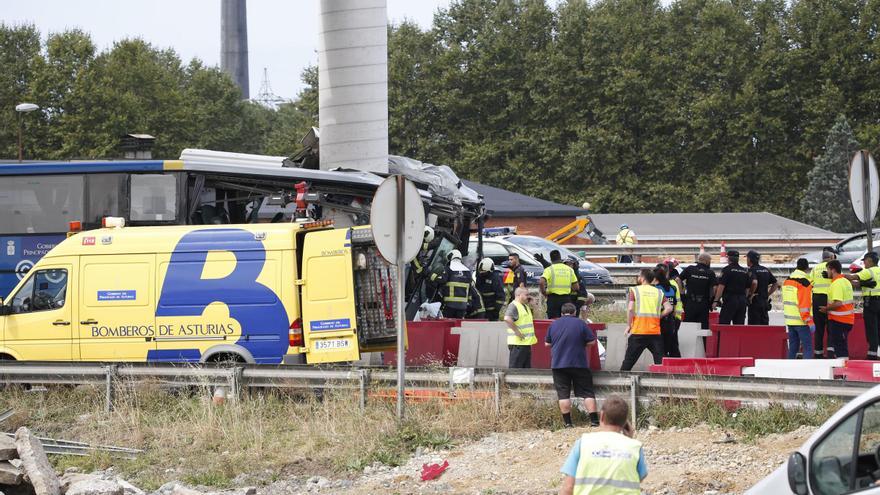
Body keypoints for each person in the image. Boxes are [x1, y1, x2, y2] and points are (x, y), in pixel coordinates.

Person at [559, 396, 647, 495]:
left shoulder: (583, 443)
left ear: (601, 416)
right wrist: (629, 439)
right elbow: (636, 478)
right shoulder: (634, 447)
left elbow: (569, 486)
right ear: (625, 422)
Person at [545, 302, 599, 428]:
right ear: (575, 312)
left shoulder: (554, 324)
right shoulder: (581, 323)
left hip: (559, 365)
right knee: (587, 393)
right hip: (579, 363)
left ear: (562, 313)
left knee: (563, 394)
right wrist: (581, 344)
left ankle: (568, 424)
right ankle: (594, 422)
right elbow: (592, 341)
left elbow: (547, 344)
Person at [621, 269, 673, 371]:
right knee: (660, 361)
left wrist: (628, 325)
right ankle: (663, 384)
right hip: (654, 332)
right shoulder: (658, 292)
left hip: (638, 331)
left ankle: (621, 383)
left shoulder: (635, 290)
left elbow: (630, 308)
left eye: (639, 276)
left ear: (643, 278)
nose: (638, 278)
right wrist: (659, 316)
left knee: (628, 361)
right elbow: (669, 308)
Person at [846, 252, 880, 360]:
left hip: (871, 302)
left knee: (871, 329)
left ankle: (872, 355)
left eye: (864, 261)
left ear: (869, 260)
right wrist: (862, 284)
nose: (864, 263)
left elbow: (852, 278)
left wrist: (839, 276)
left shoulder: (868, 271)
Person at [821, 260, 855, 358]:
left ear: (833, 270)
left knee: (840, 348)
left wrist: (826, 308)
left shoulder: (836, 284)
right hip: (847, 319)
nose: (827, 272)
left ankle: (842, 371)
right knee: (841, 345)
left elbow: (838, 303)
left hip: (839, 320)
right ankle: (842, 369)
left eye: (828, 269)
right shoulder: (846, 281)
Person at [783, 258, 814, 359]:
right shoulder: (804, 283)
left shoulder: (787, 280)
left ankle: (789, 372)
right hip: (801, 321)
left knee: (793, 348)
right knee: (807, 348)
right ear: (807, 268)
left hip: (790, 321)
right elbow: (804, 304)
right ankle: (806, 372)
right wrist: (809, 321)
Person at [713, 250, 755, 325]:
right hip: (742, 300)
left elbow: (721, 287)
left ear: (728, 258)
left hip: (730, 300)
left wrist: (716, 300)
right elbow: (748, 288)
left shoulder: (726, 270)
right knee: (739, 325)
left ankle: (725, 337)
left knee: (724, 324)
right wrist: (745, 298)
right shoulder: (745, 271)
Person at [431, 249, 473, 319]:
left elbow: (442, 280)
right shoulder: (467, 271)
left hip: (450, 305)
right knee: (458, 326)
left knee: (448, 325)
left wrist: (431, 275)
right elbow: (470, 288)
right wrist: (469, 303)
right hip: (462, 307)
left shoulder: (449, 268)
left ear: (451, 257)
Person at [680, 253, 716, 329]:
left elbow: (678, 279)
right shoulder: (710, 273)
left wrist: (682, 292)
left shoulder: (690, 269)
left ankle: (687, 340)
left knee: (688, 326)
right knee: (703, 327)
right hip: (703, 303)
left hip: (690, 302)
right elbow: (714, 288)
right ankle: (702, 341)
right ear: (707, 261)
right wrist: (712, 300)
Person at [810, 249, 836, 358]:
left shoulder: (815, 268)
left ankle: (818, 353)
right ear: (830, 258)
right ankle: (830, 352)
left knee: (819, 328)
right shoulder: (833, 268)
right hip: (830, 299)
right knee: (831, 327)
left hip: (817, 299)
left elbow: (810, 283)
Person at [540, 250, 579, 319]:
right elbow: (576, 287)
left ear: (551, 259)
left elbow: (541, 281)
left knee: (553, 321)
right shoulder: (569, 269)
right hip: (566, 299)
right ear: (560, 258)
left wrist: (544, 292)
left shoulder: (549, 269)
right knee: (567, 320)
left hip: (553, 299)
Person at [504, 287, 537, 368]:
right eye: (526, 295)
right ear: (519, 295)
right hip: (517, 344)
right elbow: (507, 318)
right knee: (515, 370)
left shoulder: (524, 306)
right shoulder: (514, 305)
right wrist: (517, 332)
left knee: (525, 371)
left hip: (525, 343)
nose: (528, 297)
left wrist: (533, 305)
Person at [653, 266, 681, 358]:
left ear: (655, 278)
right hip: (670, 321)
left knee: (660, 350)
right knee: (671, 347)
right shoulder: (672, 287)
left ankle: (662, 368)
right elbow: (674, 306)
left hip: (659, 321)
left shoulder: (656, 289)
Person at [746, 250, 778, 325]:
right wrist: (768, 294)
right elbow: (775, 283)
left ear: (750, 259)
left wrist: (750, 295)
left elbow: (754, 282)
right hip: (764, 301)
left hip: (755, 301)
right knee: (764, 325)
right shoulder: (765, 269)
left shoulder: (751, 270)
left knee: (754, 327)